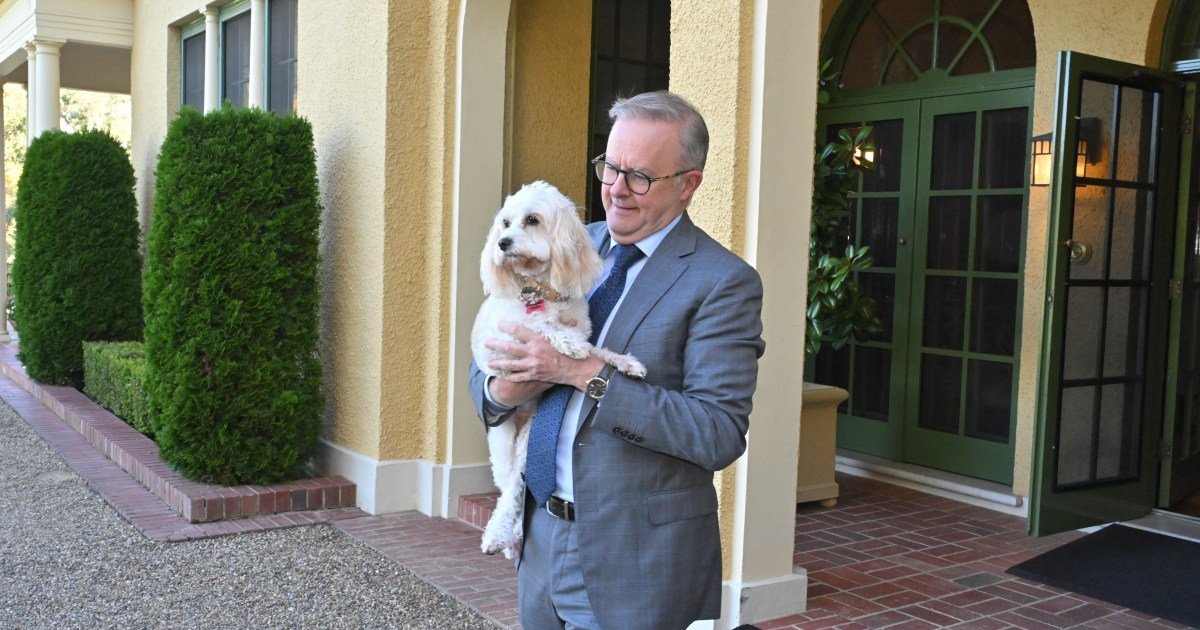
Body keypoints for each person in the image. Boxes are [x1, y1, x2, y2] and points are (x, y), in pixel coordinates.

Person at [468, 90, 765, 629]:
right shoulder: (564, 244)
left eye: (640, 176)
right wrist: (503, 389)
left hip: (637, 560)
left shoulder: (722, 282)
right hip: (540, 538)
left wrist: (581, 372)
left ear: (688, 184)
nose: (616, 189)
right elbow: (485, 363)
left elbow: (716, 432)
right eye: (610, 167)